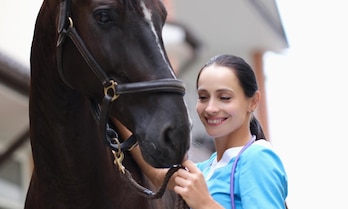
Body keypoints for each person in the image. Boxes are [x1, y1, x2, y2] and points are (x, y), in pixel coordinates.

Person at [112, 54, 288, 209]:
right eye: (203, 97)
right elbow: (158, 176)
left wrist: (204, 203)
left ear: (253, 102)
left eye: (224, 98)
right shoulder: (206, 169)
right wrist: (115, 110)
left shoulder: (257, 158)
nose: (210, 108)